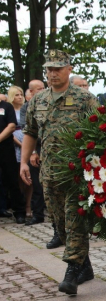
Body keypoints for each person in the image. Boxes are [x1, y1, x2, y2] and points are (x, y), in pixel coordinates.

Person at [21, 49, 99, 295]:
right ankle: (84, 266)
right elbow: (31, 132)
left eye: (57, 68)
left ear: (69, 69)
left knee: (75, 219)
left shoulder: (84, 98)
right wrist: (24, 162)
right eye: (49, 69)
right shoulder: (39, 100)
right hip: (49, 172)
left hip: (77, 172)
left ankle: (72, 270)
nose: (52, 73)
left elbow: (100, 130)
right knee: (60, 223)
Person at [19, 80, 47, 228]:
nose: (42, 90)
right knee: (36, 184)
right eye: (38, 89)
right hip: (36, 149)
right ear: (31, 92)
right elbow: (27, 130)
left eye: (43, 87)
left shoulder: (51, 101)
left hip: (52, 149)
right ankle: (37, 214)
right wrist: (33, 152)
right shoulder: (27, 107)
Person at [7, 86, 32, 220]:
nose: (20, 97)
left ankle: (28, 205)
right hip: (16, 144)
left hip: (27, 142)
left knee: (29, 177)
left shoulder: (26, 109)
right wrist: (22, 145)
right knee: (18, 177)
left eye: (21, 94)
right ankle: (19, 204)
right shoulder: (9, 109)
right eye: (16, 95)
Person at [0, 97, 26, 224]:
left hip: (5, 149)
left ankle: (19, 212)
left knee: (12, 180)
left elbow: (11, 126)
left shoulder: (6, 106)